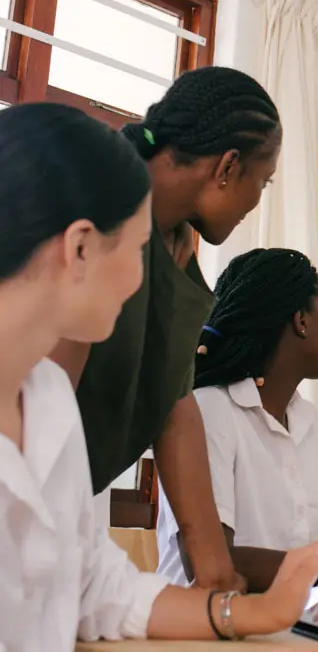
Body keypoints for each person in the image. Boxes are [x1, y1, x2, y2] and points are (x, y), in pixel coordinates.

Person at [0, 104, 318, 650]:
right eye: (136, 251)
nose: (146, 281)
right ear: (80, 248)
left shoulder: (50, 399)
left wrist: (258, 610)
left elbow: (101, 590)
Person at [49, 66, 282, 591]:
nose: (256, 202)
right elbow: (45, 403)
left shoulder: (176, 246)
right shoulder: (99, 207)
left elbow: (176, 411)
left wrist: (217, 577)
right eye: (261, 183)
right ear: (227, 166)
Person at [158, 248, 318, 592]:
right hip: (199, 633)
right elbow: (207, 562)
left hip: (288, 625)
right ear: (301, 320)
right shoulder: (209, 410)